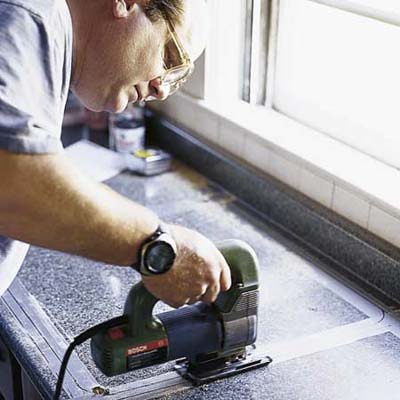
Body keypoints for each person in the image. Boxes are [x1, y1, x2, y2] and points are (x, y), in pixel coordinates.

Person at [0, 0, 231, 308]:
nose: (161, 89)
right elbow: (12, 184)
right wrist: (156, 247)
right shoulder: (28, 15)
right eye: (170, 56)